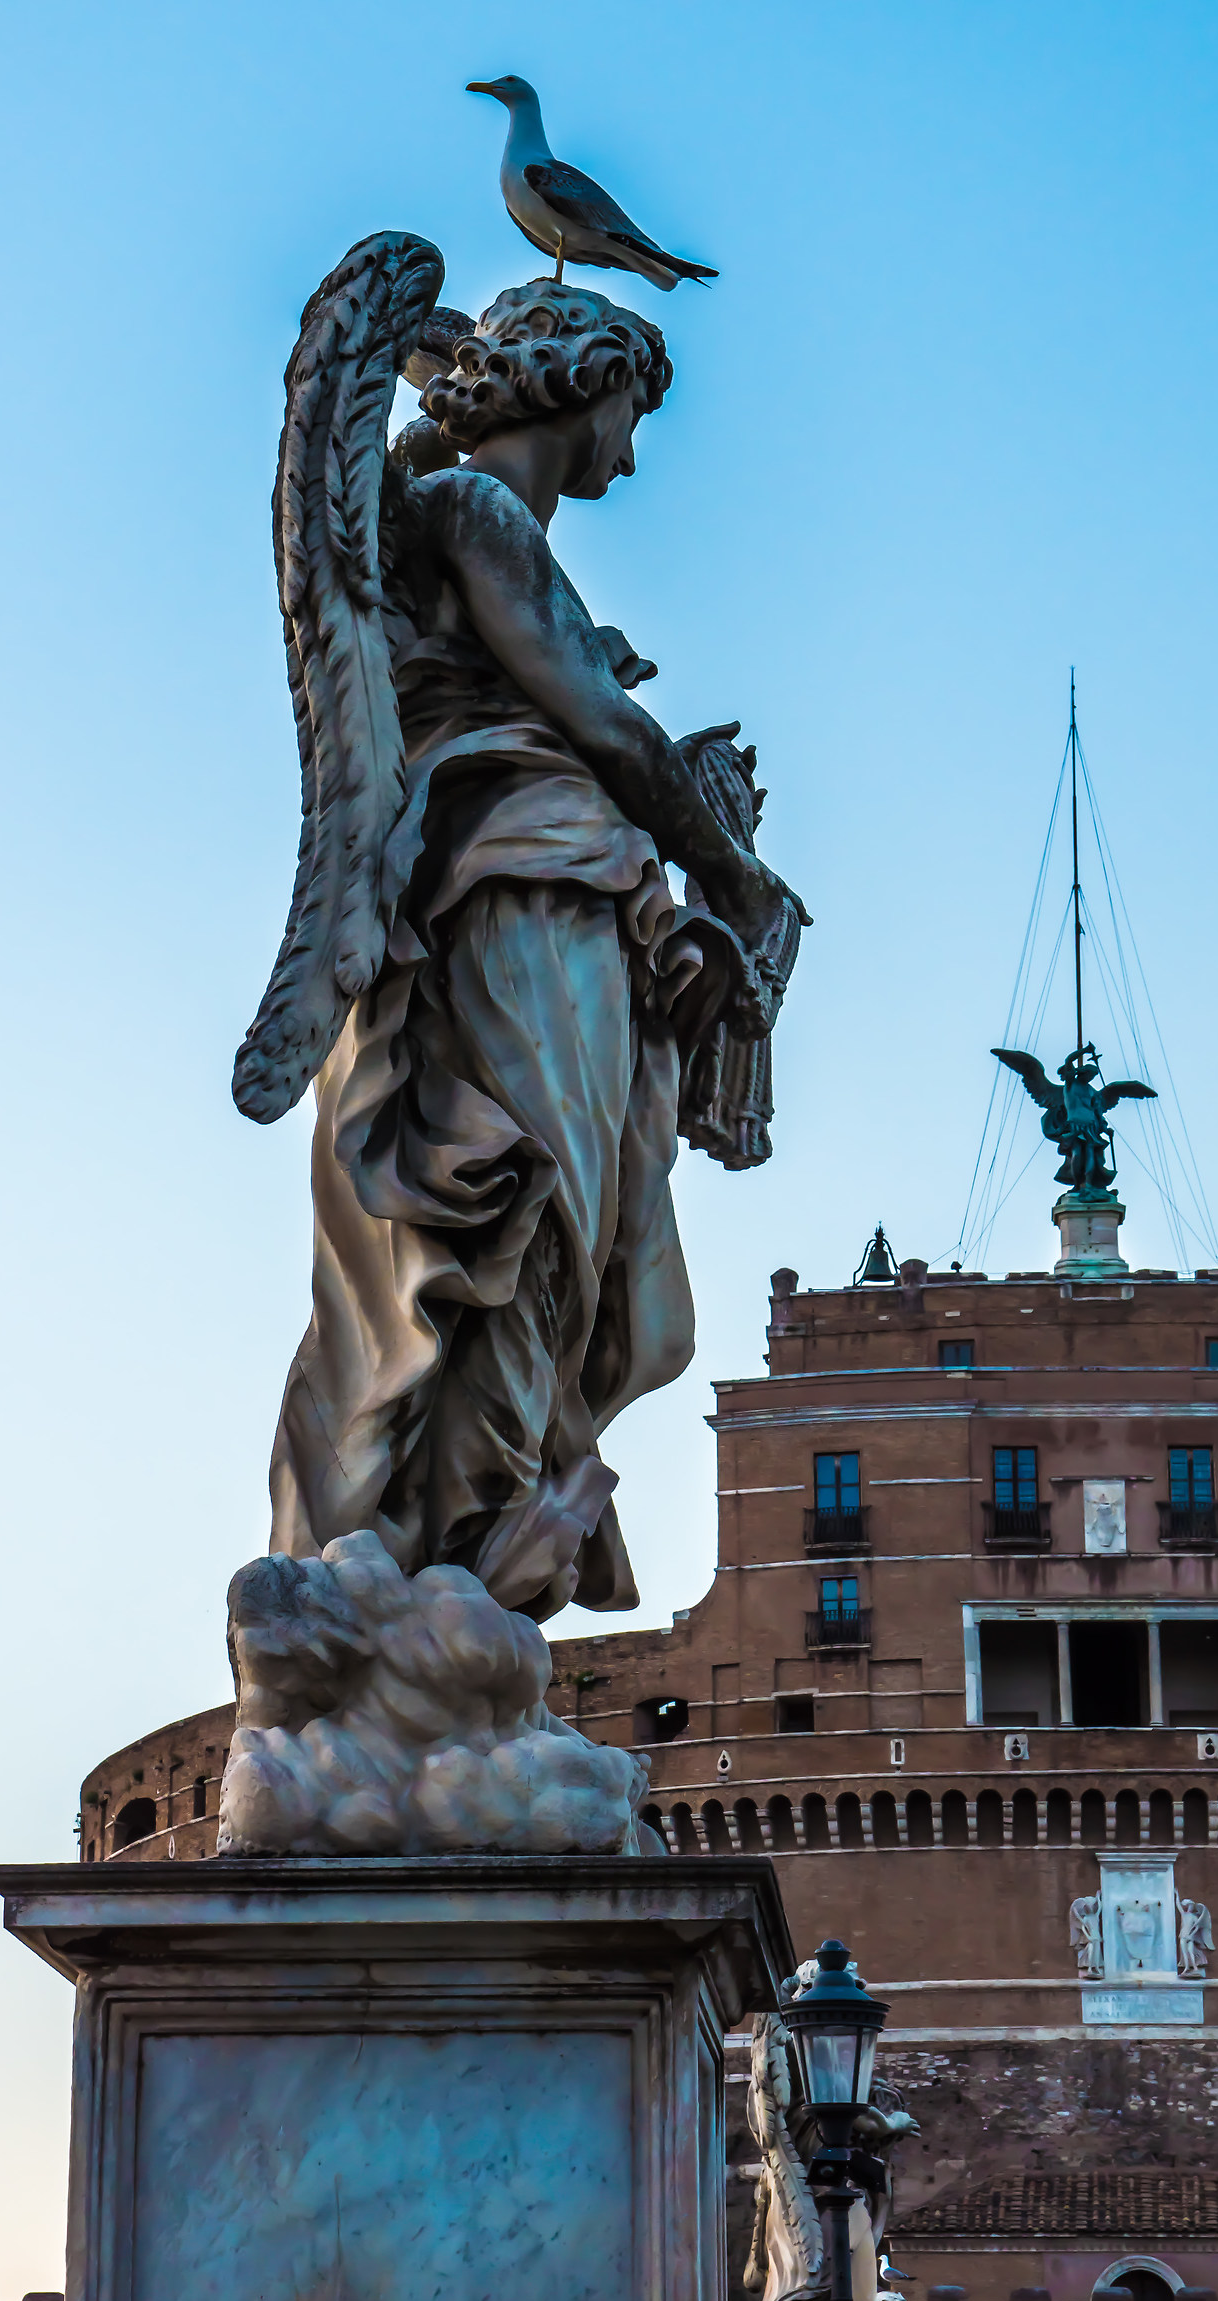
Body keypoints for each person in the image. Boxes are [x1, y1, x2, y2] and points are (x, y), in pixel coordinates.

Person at [238, 249, 802, 1621]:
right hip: (509, 892)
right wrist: (737, 877)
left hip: (561, 893)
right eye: (631, 414)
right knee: (523, 1206)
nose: (630, 452)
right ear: (584, 383)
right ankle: (456, 1561)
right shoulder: (472, 509)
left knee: (577, 1226)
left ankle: (470, 1576)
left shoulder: (480, 522)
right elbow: (607, 732)